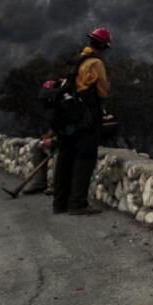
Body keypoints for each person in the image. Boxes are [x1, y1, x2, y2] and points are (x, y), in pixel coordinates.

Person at [52, 26, 113, 216]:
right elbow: (102, 90)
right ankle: (77, 203)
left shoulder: (75, 60)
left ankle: (59, 203)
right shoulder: (95, 63)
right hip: (86, 117)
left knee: (65, 158)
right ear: (103, 46)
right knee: (84, 158)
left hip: (67, 116)